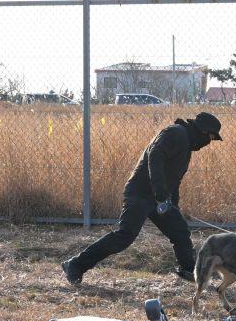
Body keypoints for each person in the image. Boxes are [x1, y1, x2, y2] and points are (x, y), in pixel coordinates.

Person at [62, 111, 222, 284]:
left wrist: (173, 205)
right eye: (211, 137)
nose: (209, 143)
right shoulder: (176, 133)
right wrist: (159, 191)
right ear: (203, 132)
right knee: (125, 236)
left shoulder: (185, 144)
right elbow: (155, 155)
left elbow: (173, 180)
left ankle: (188, 270)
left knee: (180, 232)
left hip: (159, 198)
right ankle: (75, 265)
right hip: (140, 192)